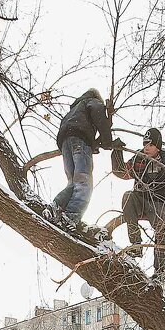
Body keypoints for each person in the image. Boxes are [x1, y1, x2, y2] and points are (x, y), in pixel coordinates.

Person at [111, 127, 165, 276]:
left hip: (158, 204)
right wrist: (117, 151)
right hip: (141, 201)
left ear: (158, 146)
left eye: (150, 145)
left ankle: (160, 268)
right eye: (145, 144)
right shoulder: (138, 159)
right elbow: (121, 172)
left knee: (162, 226)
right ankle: (136, 244)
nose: (146, 148)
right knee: (127, 196)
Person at [44, 88, 113, 227]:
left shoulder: (74, 110)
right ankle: (70, 217)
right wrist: (108, 141)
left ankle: (55, 208)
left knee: (73, 183)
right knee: (84, 183)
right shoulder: (92, 101)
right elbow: (100, 117)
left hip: (65, 143)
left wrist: (94, 145)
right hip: (79, 141)